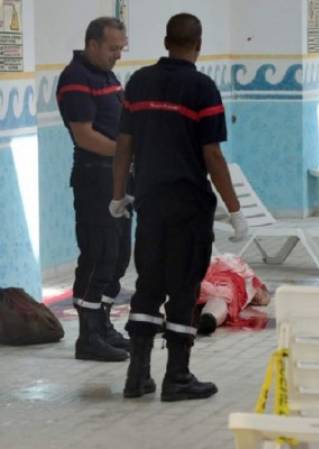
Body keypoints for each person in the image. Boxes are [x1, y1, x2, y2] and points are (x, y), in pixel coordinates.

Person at [111, 12, 248, 402]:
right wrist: (235, 210)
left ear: (166, 40)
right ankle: (177, 376)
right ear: (198, 44)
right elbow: (212, 156)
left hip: (150, 202)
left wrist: (118, 194)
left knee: (148, 286)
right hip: (188, 206)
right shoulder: (202, 88)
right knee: (184, 289)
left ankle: (136, 377)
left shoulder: (139, 81)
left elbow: (124, 144)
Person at [56, 17, 132, 362]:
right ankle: (88, 337)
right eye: (113, 48)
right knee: (98, 254)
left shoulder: (106, 75)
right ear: (93, 45)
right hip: (95, 179)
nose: (118, 55)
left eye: (120, 48)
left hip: (118, 178)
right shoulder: (76, 78)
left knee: (118, 256)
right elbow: (85, 135)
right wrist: (126, 152)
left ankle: (103, 326)